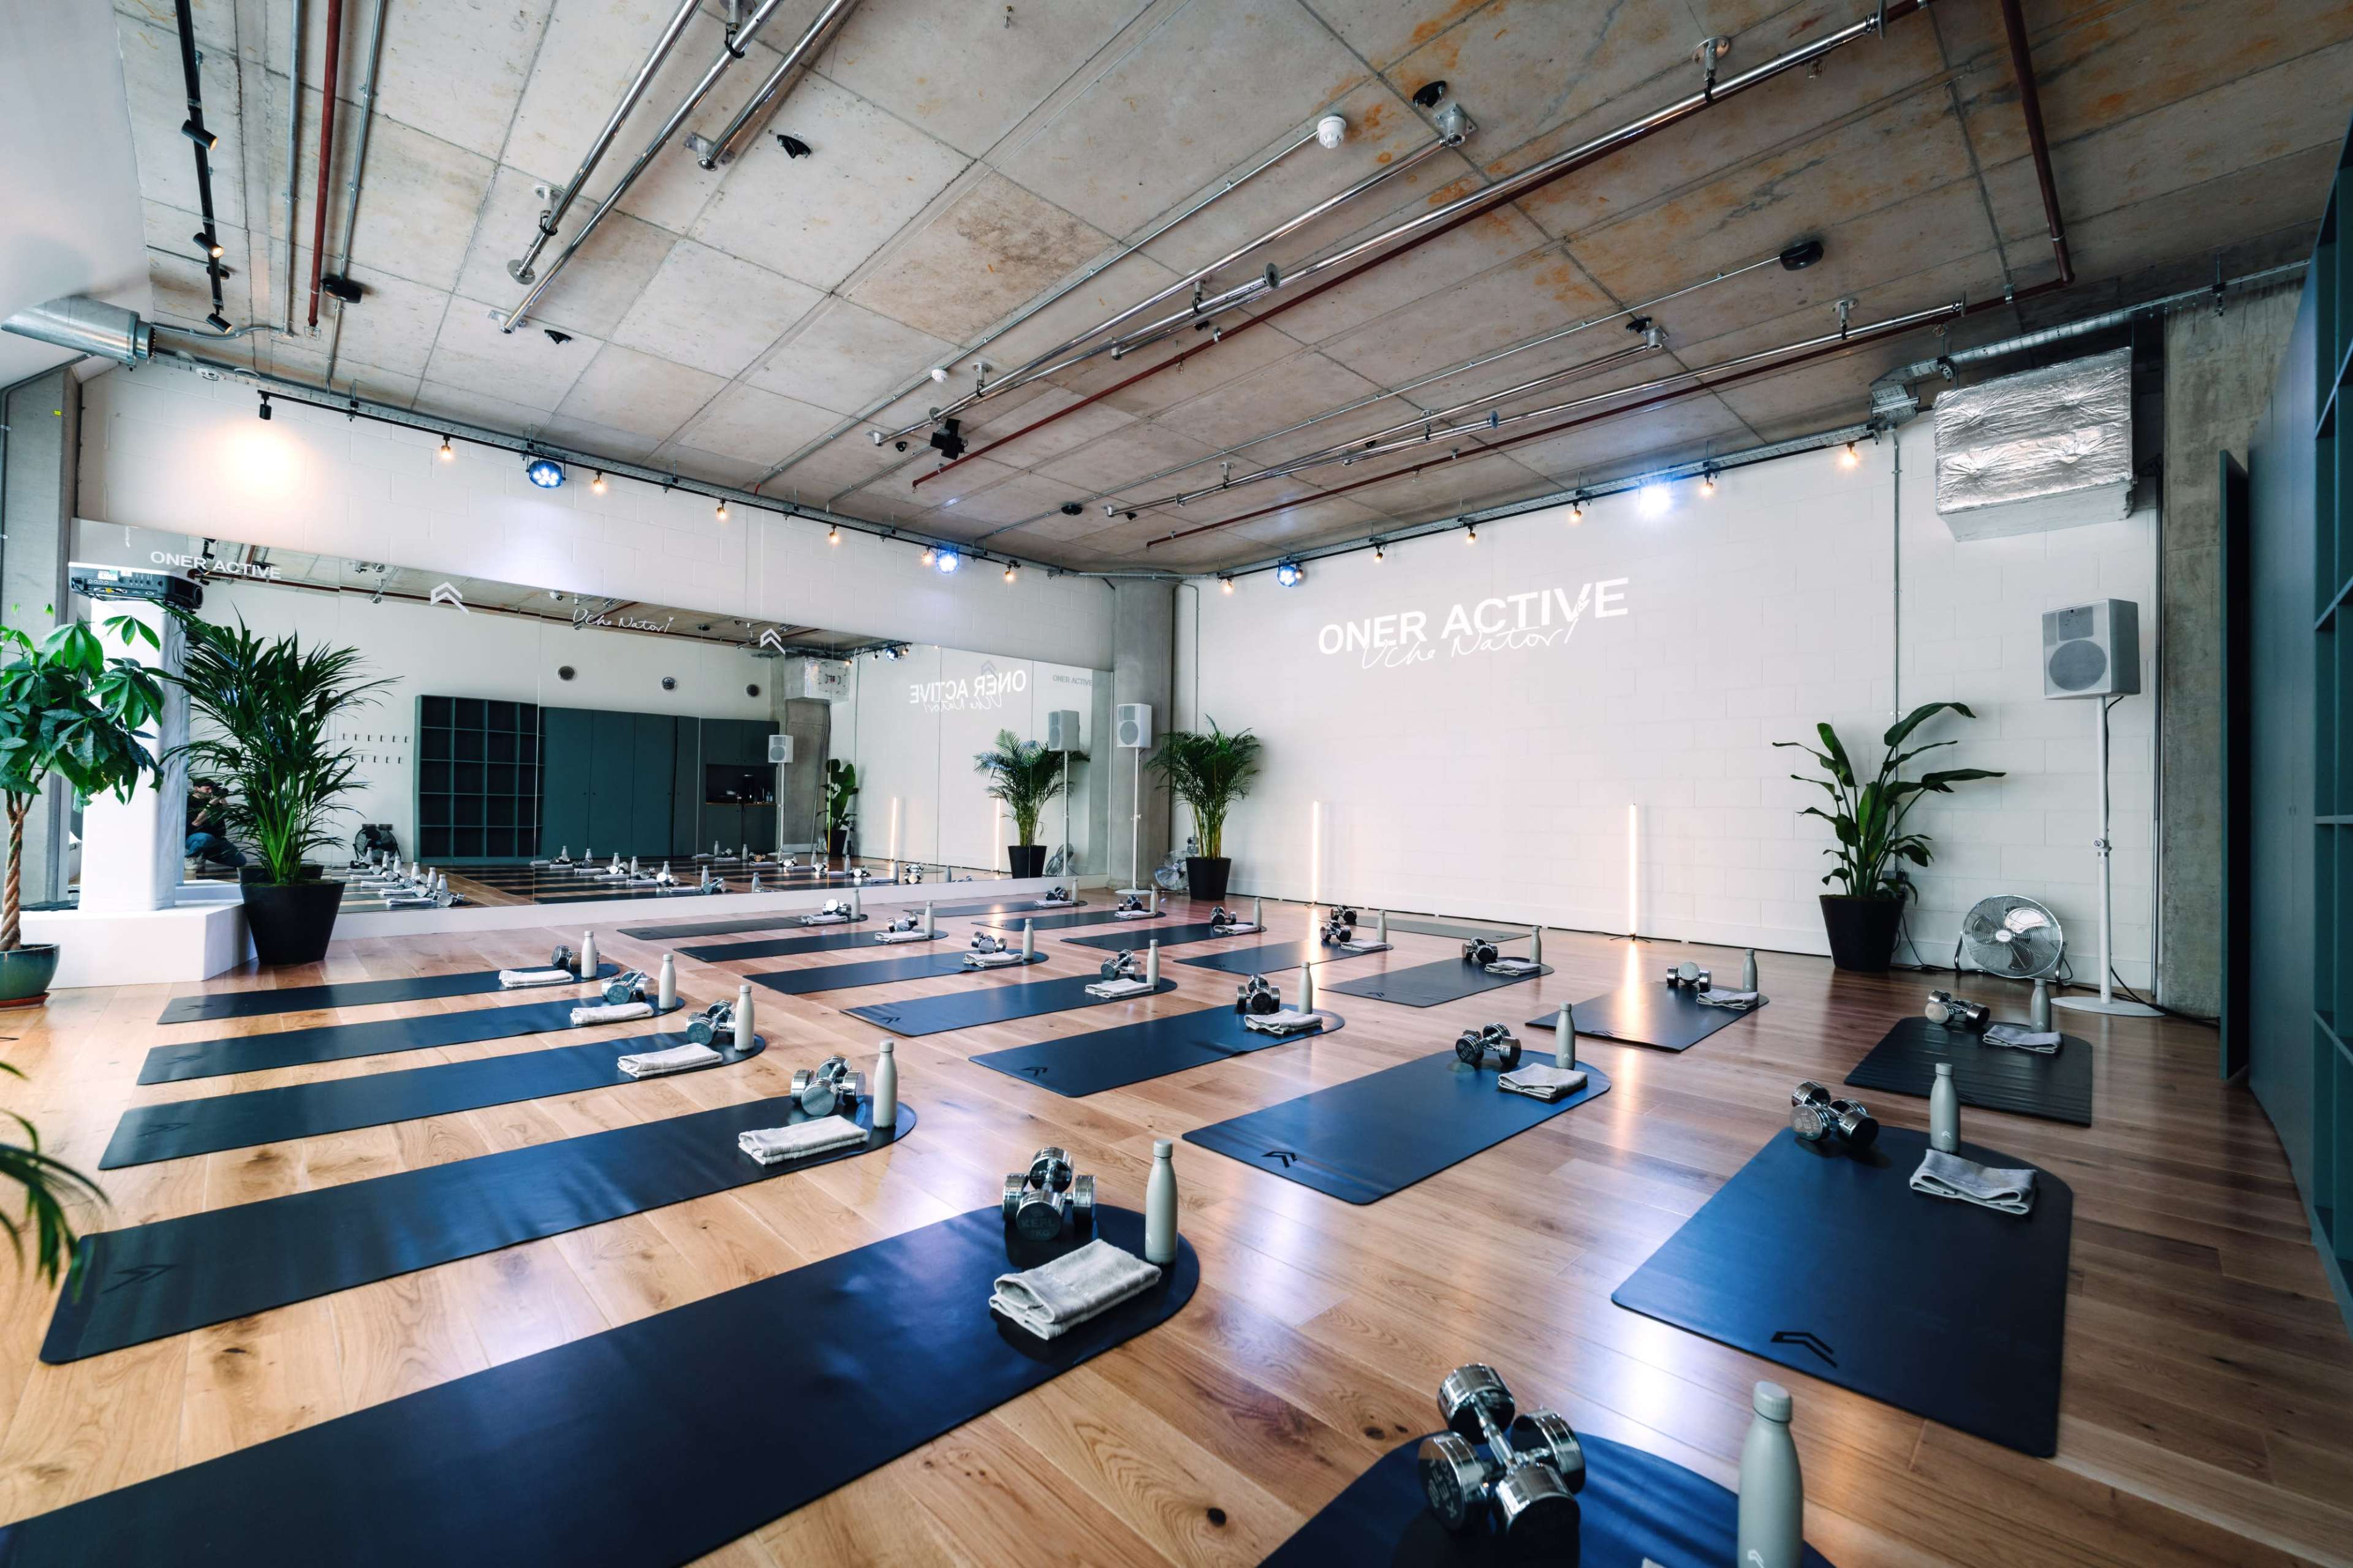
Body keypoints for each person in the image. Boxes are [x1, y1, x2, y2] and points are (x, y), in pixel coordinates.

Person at [185, 779, 246, 869]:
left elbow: (228, 814)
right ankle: (190, 857)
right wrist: (211, 805)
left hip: (216, 839)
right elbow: (196, 822)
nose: (210, 791)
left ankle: (203, 854)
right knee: (206, 838)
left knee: (240, 861)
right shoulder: (188, 801)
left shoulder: (213, 800)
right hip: (193, 838)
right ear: (197, 788)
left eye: (212, 789)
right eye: (207, 789)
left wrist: (222, 798)